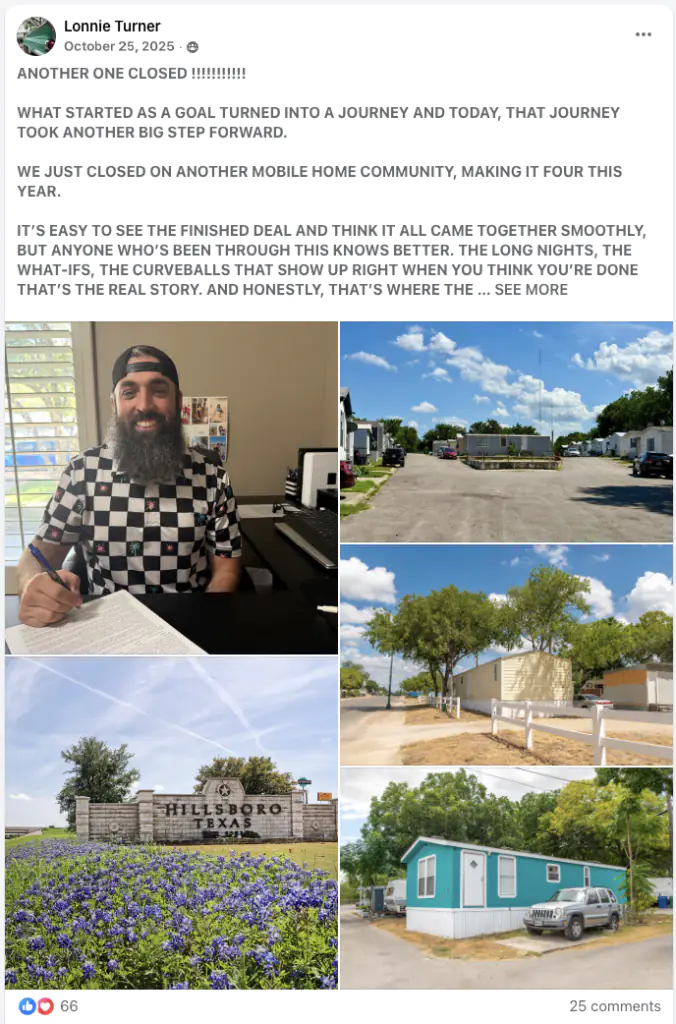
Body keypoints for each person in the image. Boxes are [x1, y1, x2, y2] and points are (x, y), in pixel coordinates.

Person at [17, 346, 242, 626]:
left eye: (159, 391)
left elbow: (227, 567)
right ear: (114, 404)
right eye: (129, 392)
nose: (144, 405)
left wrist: (208, 623)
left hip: (188, 623)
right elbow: (37, 555)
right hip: (105, 627)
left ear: (179, 402)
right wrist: (30, 585)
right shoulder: (80, 474)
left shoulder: (213, 478)